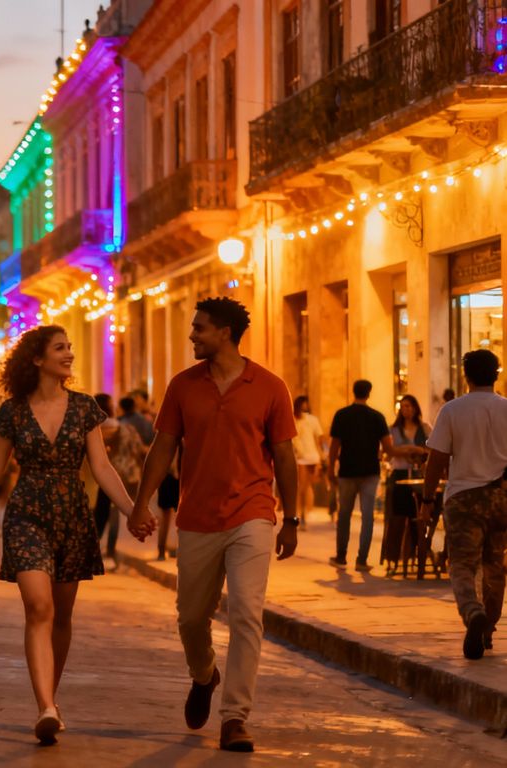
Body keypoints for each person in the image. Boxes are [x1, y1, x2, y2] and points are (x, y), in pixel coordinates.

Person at [0, 325, 135, 745]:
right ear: (37, 359)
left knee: (62, 618)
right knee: (39, 607)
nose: (69, 354)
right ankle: (46, 708)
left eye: (70, 347)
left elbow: (102, 468)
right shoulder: (12, 412)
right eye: (60, 348)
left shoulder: (86, 408)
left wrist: (132, 511)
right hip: (27, 514)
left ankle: (51, 696)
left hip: (73, 516)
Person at [129, 297, 299, 753]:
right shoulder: (183, 386)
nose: (192, 335)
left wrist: (292, 520)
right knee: (190, 618)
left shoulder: (269, 386)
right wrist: (140, 503)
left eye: (199, 328)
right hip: (198, 517)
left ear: (224, 332)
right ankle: (204, 675)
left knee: (246, 614)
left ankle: (235, 717)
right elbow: (162, 448)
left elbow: (284, 455)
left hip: (254, 513)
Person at [419, 350, 507, 659]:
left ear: (465, 375)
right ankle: (489, 626)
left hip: (463, 498)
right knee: (495, 564)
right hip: (500, 498)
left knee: (462, 564)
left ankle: (472, 612)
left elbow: (437, 460)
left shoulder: (452, 410)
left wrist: (427, 499)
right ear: (496, 374)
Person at [327, 380, 392, 571]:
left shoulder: (342, 415)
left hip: (347, 471)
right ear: (369, 393)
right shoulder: (377, 417)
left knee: (344, 514)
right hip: (370, 472)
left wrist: (331, 468)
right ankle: (362, 560)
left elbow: (334, 446)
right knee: (367, 516)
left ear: (353, 392)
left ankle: (341, 556)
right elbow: (387, 446)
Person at [96, 397, 146, 570]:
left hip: (99, 479)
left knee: (100, 514)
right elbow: (139, 450)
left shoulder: (93, 428)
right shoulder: (124, 428)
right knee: (114, 514)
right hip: (124, 476)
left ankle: (95, 550)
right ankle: (110, 552)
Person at [383, 395, 429, 572]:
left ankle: (416, 554)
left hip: (418, 475)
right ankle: (393, 558)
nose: (406, 409)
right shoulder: (393, 430)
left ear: (415, 408)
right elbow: (387, 452)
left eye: (409, 406)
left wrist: (417, 450)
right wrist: (406, 450)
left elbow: (431, 450)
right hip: (400, 474)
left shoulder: (424, 428)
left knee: (416, 519)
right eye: (403, 406)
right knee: (396, 517)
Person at [292, 396, 323, 529]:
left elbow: (318, 440)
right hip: (303, 457)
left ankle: (304, 514)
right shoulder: (295, 420)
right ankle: (302, 515)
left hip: (310, 457)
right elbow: (319, 439)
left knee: (306, 487)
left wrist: (321, 457)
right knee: (303, 487)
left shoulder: (310, 420)